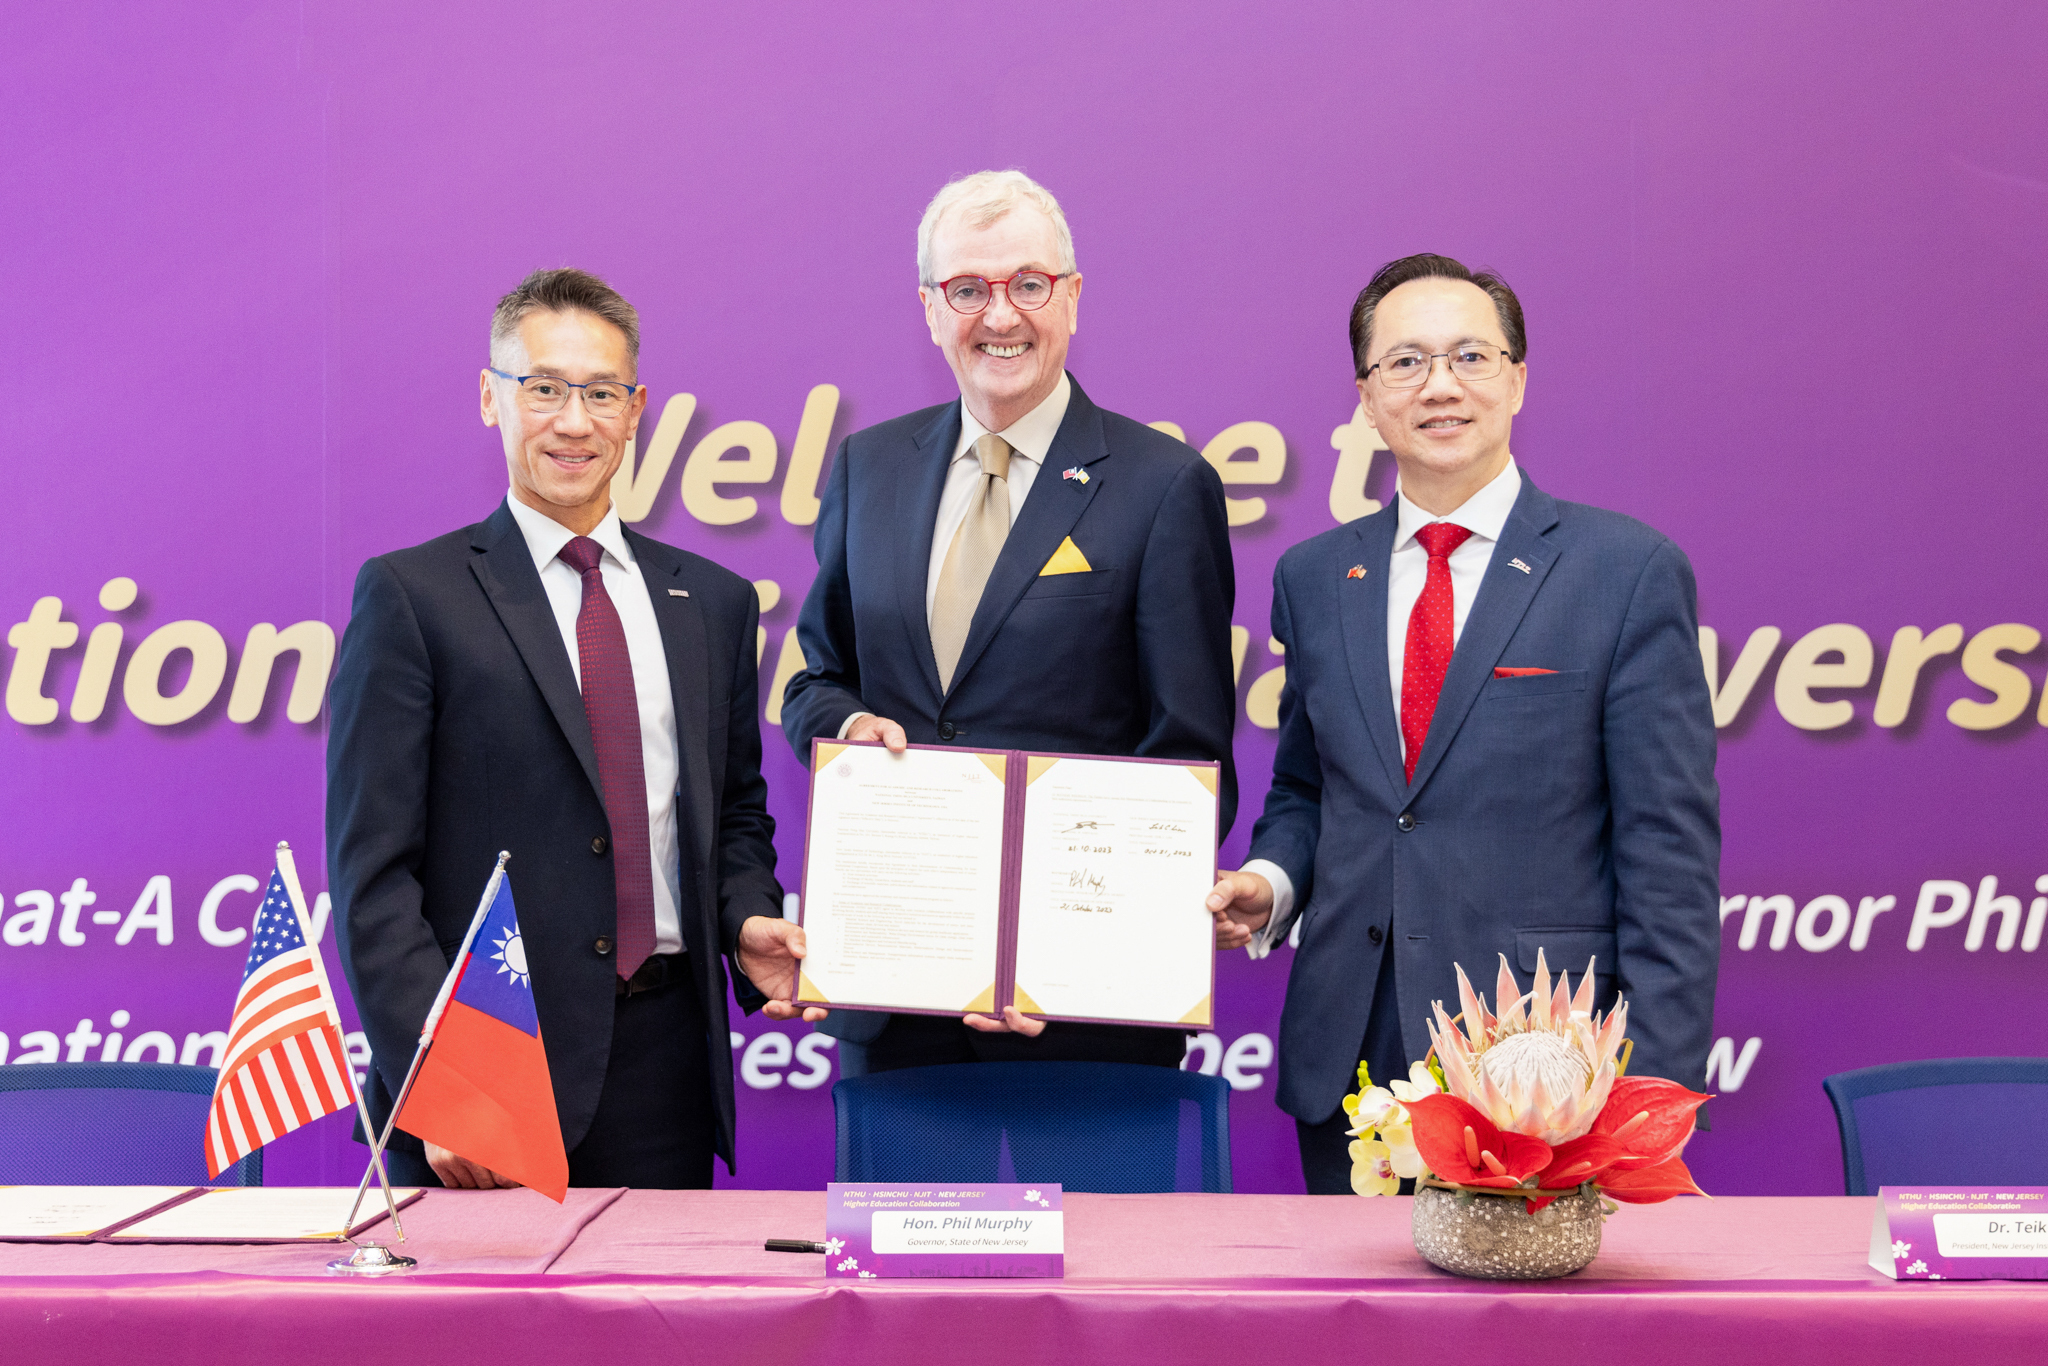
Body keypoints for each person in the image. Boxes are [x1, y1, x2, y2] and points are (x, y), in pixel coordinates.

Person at [1207, 254, 1720, 1193]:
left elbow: (1669, 854)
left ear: (1518, 378)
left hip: (1546, 1076)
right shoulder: (1316, 578)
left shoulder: (1625, 572)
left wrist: (1649, 1095)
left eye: (1470, 356)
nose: (1439, 385)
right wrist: (1274, 882)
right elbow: (1312, 786)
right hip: (1353, 1056)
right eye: (1404, 362)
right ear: (1365, 397)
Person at [328, 268, 814, 1190]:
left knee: (647, 1340)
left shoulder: (710, 603)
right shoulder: (411, 597)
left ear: (637, 411)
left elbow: (736, 816)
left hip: (667, 1070)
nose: (574, 421)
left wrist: (747, 917)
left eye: (600, 393)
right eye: (544, 389)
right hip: (488, 1065)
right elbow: (372, 879)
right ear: (491, 398)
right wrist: (443, 1085)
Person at [782, 170, 1237, 1074]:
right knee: (893, 1223)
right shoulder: (869, 468)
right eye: (968, 290)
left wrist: (1053, 958)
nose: (1000, 316)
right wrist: (846, 725)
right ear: (928, 307)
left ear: (1072, 297)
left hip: (1086, 1022)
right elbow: (813, 682)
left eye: (1029, 284)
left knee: (1102, 1224)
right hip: (898, 998)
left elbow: (1186, 762)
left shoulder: (1161, 486)